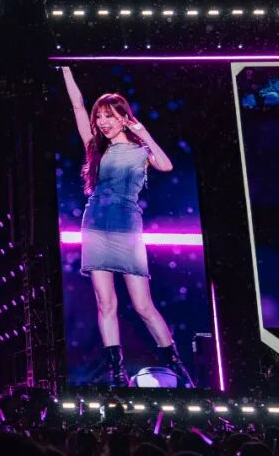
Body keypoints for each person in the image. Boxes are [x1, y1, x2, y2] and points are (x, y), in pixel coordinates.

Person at [61, 67, 193, 388]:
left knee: (143, 305)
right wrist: (64, 66)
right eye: (99, 116)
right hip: (96, 227)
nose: (102, 122)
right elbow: (77, 105)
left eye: (109, 116)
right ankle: (116, 373)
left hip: (128, 229)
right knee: (106, 303)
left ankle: (176, 365)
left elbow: (166, 165)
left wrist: (144, 133)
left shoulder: (141, 151)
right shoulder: (96, 147)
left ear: (124, 117)